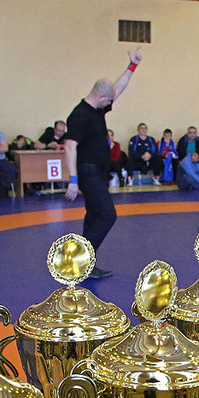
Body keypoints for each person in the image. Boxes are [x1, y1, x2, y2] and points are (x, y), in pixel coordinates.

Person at [63, 48, 142, 279]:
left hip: (98, 171)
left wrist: (132, 66)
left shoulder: (97, 108)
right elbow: (69, 146)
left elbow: (118, 88)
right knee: (108, 215)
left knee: (93, 215)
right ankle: (80, 260)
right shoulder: (79, 114)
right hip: (87, 172)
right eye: (108, 100)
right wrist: (73, 180)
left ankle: (86, 265)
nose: (111, 103)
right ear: (100, 97)